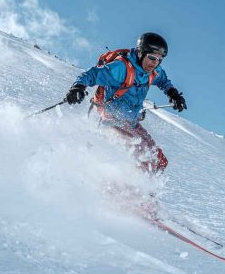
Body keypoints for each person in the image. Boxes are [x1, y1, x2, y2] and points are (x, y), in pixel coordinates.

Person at [65, 32, 187, 175]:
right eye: (152, 58)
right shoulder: (121, 69)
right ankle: (121, 192)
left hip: (132, 123)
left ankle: (145, 193)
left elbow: (163, 81)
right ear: (141, 53)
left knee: (159, 161)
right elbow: (92, 74)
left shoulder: (154, 71)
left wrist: (173, 94)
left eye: (160, 60)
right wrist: (78, 87)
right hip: (112, 122)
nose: (155, 63)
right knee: (143, 159)